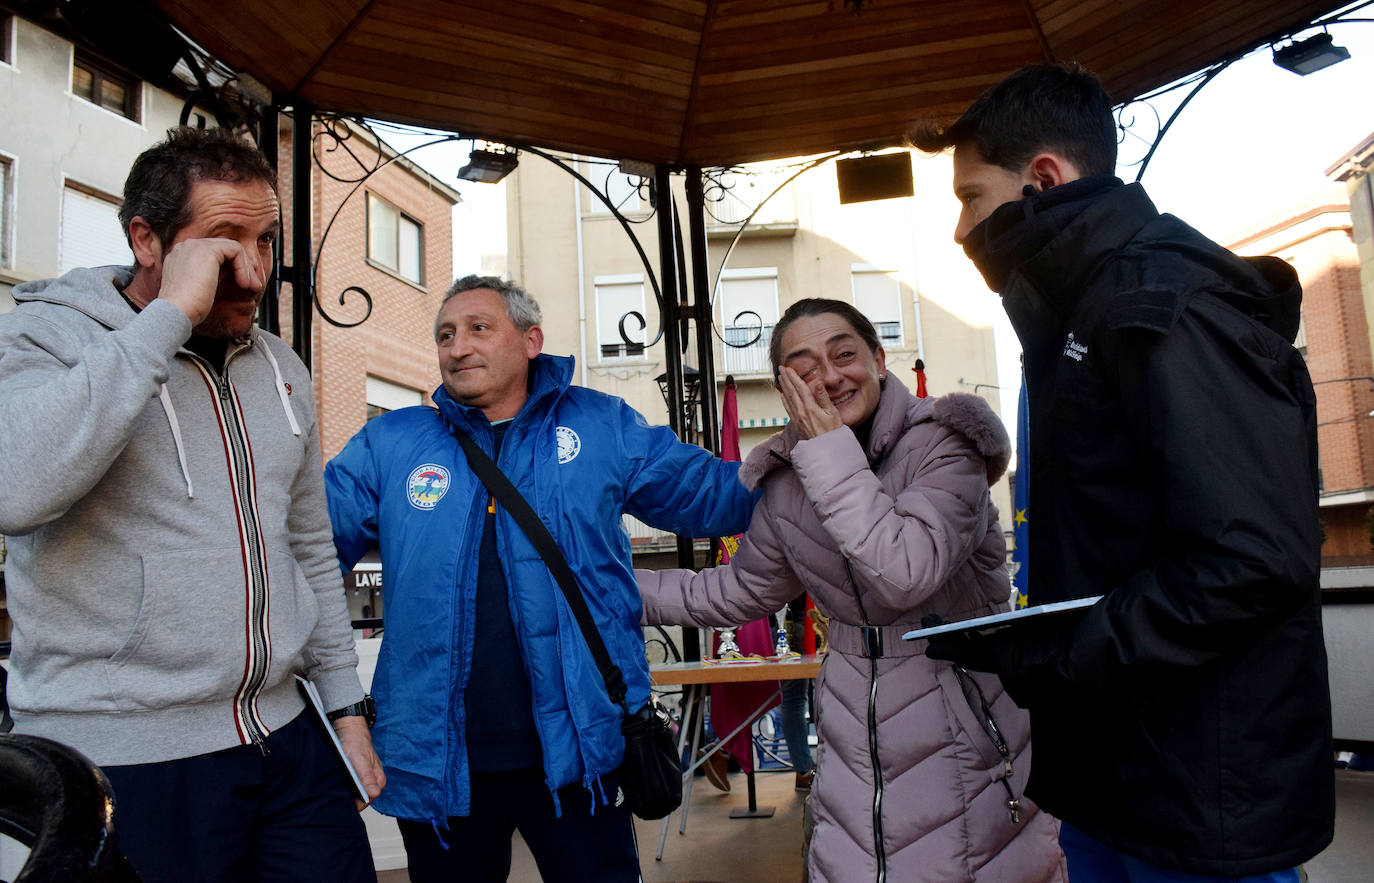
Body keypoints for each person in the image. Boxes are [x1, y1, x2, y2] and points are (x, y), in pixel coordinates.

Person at [909, 62, 1334, 881]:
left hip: (1200, 800)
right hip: (1117, 776)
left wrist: (1061, 651)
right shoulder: (1076, 313)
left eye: (970, 198)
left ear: (1043, 179)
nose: (961, 231)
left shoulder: (1168, 304)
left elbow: (1252, 558)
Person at [0, 127, 383, 882]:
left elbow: (307, 543)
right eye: (223, 241)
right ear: (148, 239)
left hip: (289, 736)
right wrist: (169, 315)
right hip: (125, 755)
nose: (252, 270)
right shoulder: (46, 336)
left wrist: (347, 709)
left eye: (265, 240)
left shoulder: (279, 366)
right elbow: (16, 486)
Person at [324, 275, 757, 882]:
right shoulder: (391, 443)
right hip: (438, 758)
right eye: (446, 334)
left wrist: (814, 458)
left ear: (531, 341)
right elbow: (306, 550)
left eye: (479, 328)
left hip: (582, 749)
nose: (457, 347)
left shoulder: (600, 425)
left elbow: (712, 495)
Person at [637, 298, 1066, 882]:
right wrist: (606, 587)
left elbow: (905, 571)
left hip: (959, 709)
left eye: (844, 355)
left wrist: (825, 449)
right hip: (847, 716)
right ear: (784, 386)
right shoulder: (787, 478)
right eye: (805, 366)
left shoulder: (945, 443)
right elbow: (738, 590)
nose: (830, 376)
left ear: (880, 360)